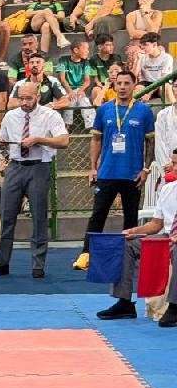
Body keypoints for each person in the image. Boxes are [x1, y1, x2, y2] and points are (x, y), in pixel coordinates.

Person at [74, 70, 154, 271]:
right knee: (97, 215)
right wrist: (93, 168)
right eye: (119, 83)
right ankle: (86, 254)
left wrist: (145, 169)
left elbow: (150, 142)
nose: (123, 87)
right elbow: (96, 139)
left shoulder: (144, 111)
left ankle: (130, 256)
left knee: (130, 217)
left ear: (134, 85)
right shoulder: (104, 110)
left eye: (127, 83)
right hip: (107, 172)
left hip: (132, 174)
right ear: (114, 85)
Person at [0, 81, 69, 277]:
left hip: (39, 166)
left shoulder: (50, 115)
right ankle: (2, 262)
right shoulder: (11, 116)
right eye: (21, 98)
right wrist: (0, 143)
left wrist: (39, 139)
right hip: (15, 167)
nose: (24, 102)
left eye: (28, 98)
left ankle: (38, 265)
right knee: (7, 215)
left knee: (39, 216)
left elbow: (63, 141)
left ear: (38, 97)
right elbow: (3, 140)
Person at [97, 150, 177, 327]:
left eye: (175, 164)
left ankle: (174, 307)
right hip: (166, 236)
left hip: (174, 242)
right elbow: (156, 224)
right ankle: (124, 302)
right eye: (172, 162)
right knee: (128, 243)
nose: (169, 166)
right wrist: (135, 230)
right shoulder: (168, 189)